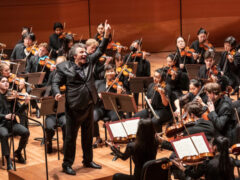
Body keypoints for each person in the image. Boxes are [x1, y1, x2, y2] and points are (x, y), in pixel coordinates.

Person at [52, 20, 111, 175]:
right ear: (74, 56)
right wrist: (57, 92)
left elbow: (102, 49)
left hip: (89, 104)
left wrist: (106, 35)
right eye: (82, 52)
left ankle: (88, 160)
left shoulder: (90, 61)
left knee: (87, 135)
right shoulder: (64, 67)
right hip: (74, 107)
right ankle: (67, 164)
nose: (85, 54)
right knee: (70, 138)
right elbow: (55, 82)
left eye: (85, 52)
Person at [0, 76, 30, 170]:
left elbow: (19, 111)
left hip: (12, 123)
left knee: (26, 132)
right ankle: (8, 160)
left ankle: (18, 152)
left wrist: (25, 103)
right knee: (4, 135)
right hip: (1, 124)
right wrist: (4, 116)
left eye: (7, 81)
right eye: (3, 81)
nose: (6, 83)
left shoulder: (11, 95)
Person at [93, 64, 124, 148]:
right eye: (108, 71)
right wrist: (98, 96)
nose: (110, 73)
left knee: (116, 117)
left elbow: (120, 102)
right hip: (100, 108)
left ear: (115, 72)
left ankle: (114, 140)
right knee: (92, 117)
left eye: (112, 71)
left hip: (112, 108)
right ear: (105, 73)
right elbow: (92, 96)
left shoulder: (118, 85)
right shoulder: (98, 83)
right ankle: (98, 138)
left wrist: (118, 94)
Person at [134, 68, 173, 132]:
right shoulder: (151, 85)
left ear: (162, 78)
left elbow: (165, 104)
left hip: (163, 111)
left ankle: (157, 138)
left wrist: (162, 94)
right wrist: (147, 101)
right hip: (152, 109)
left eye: (157, 77)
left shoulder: (166, 87)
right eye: (154, 76)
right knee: (136, 117)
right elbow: (147, 98)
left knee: (154, 121)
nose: (154, 78)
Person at [44, 56, 67, 153]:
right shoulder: (53, 74)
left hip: (64, 110)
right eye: (58, 65)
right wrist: (45, 98)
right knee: (49, 127)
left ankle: (66, 145)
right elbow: (48, 87)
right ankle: (48, 141)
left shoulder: (69, 76)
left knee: (66, 124)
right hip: (51, 110)